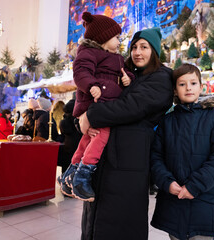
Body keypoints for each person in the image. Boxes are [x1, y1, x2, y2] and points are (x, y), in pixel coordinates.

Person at [78, 27, 173, 239]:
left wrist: (91, 115)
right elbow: (94, 98)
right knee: (95, 218)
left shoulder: (161, 78)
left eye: (144, 47)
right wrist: (82, 120)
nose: (137, 52)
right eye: (134, 47)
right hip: (105, 157)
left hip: (129, 162)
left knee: (120, 222)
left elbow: (132, 107)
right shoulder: (125, 75)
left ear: (155, 51)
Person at [57, 12, 135, 201]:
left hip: (105, 102)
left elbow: (124, 73)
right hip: (95, 102)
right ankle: (83, 175)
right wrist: (91, 85)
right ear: (103, 38)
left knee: (89, 138)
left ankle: (71, 173)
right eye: (116, 37)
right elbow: (81, 72)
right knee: (102, 135)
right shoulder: (88, 53)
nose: (119, 41)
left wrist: (128, 79)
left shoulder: (116, 57)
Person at [150, 64, 214, 240]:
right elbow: (155, 157)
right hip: (173, 202)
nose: (188, 88)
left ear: (201, 87)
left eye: (193, 83)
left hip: (204, 202)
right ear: (174, 90)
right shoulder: (166, 122)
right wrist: (166, 182)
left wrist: (194, 186)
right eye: (182, 84)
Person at [57, 99, 82, 177]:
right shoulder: (78, 120)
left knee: (66, 169)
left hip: (67, 146)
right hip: (78, 146)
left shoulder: (63, 122)